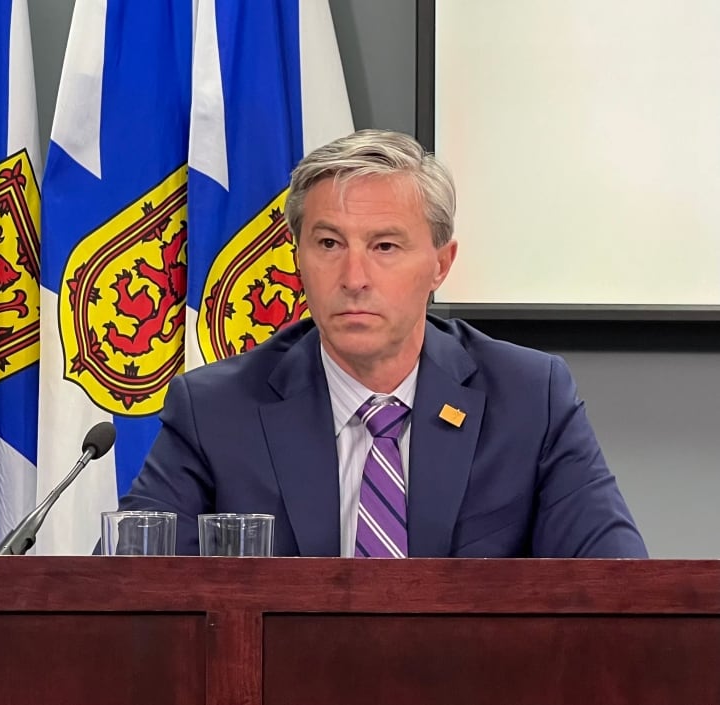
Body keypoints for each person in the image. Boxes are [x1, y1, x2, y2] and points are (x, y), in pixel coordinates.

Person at [117, 128, 648, 558]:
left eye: (385, 246)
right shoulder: (216, 410)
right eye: (328, 244)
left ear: (441, 264)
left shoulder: (530, 398)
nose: (353, 276)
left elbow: (620, 591)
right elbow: (130, 600)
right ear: (297, 258)